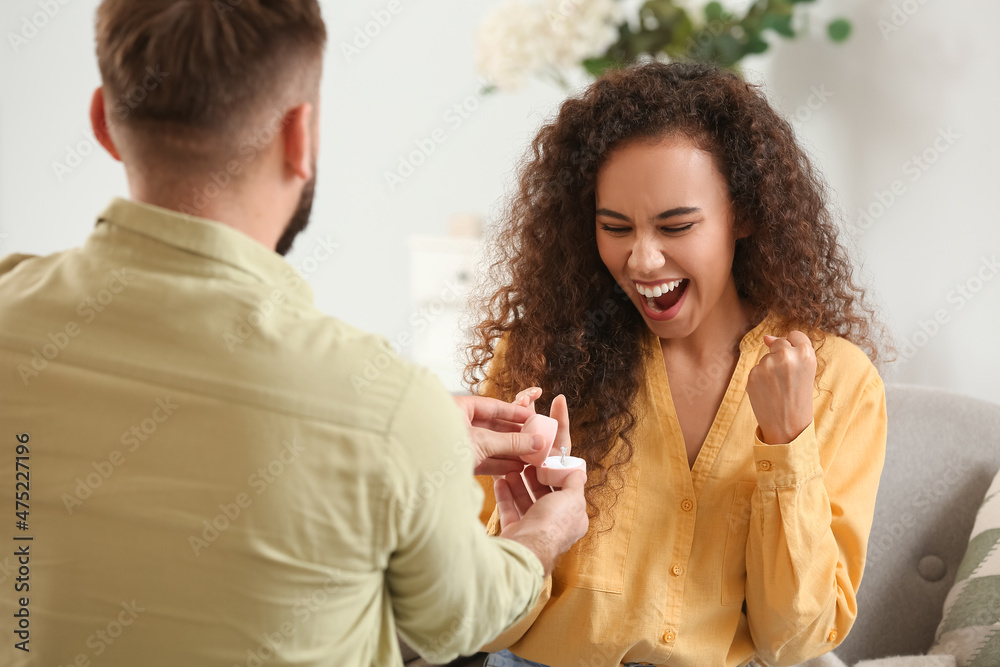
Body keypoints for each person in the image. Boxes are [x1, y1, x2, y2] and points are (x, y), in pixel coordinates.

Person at [0, 2, 588, 666]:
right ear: (299, 136)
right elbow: (457, 620)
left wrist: (412, 441)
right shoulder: (390, 404)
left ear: (104, 122)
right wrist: (539, 535)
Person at [464, 61, 890, 667]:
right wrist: (530, 540)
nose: (641, 260)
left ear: (741, 215)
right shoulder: (541, 354)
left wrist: (787, 445)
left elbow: (793, 641)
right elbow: (484, 624)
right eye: (615, 227)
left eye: (677, 225)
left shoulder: (839, 381)